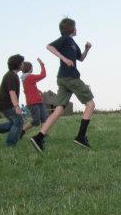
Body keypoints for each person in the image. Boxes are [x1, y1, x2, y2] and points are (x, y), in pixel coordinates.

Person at [29, 17, 94, 152]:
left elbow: (80, 58)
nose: (76, 29)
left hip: (63, 79)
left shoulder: (73, 43)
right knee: (90, 104)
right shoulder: (65, 39)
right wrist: (64, 59)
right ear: (70, 29)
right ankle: (81, 137)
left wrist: (86, 49)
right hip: (70, 77)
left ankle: (38, 138)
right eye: (75, 26)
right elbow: (49, 46)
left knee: (59, 109)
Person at [0, 54, 25, 147]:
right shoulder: (11, 76)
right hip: (6, 104)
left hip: (4, 104)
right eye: (22, 63)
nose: (23, 64)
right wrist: (17, 106)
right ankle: (10, 144)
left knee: (14, 122)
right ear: (18, 64)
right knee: (19, 122)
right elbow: (12, 92)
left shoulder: (12, 75)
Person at [20, 59, 49, 134]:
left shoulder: (27, 78)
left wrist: (38, 91)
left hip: (38, 101)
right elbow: (43, 75)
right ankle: (21, 131)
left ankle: (43, 135)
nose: (32, 68)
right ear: (29, 68)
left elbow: (29, 88)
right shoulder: (29, 77)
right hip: (33, 103)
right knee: (36, 121)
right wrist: (42, 65)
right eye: (32, 67)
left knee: (44, 118)